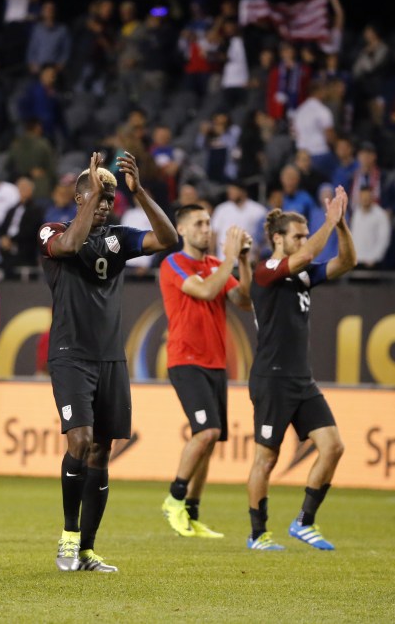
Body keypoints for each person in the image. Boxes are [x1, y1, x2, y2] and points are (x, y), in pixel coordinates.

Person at [40, 152, 178, 572]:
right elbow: (69, 245)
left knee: (102, 451)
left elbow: (169, 239)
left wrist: (139, 192)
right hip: (70, 355)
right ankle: (67, 538)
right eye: (96, 196)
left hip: (111, 358)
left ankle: (87, 549)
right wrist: (89, 202)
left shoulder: (119, 237)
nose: (104, 203)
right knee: (79, 442)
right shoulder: (53, 229)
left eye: (109, 197)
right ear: (79, 196)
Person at [246, 186, 356, 551]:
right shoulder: (266, 270)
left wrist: (339, 227)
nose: (305, 241)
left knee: (333, 447)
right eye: (298, 235)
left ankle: (304, 522)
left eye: (306, 235)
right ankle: (258, 534)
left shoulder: (303, 276)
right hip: (271, 379)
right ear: (278, 239)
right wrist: (329, 221)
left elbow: (346, 262)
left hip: (300, 379)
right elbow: (309, 254)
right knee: (267, 458)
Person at [159, 205, 253, 539]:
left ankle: (192, 514)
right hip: (186, 360)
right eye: (198, 223)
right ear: (181, 229)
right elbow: (205, 291)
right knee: (207, 432)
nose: (206, 228)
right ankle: (174, 499)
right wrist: (228, 257)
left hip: (215, 362)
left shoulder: (216, 264)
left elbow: (244, 299)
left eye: (208, 222)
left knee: (211, 441)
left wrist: (241, 260)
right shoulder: (172, 264)